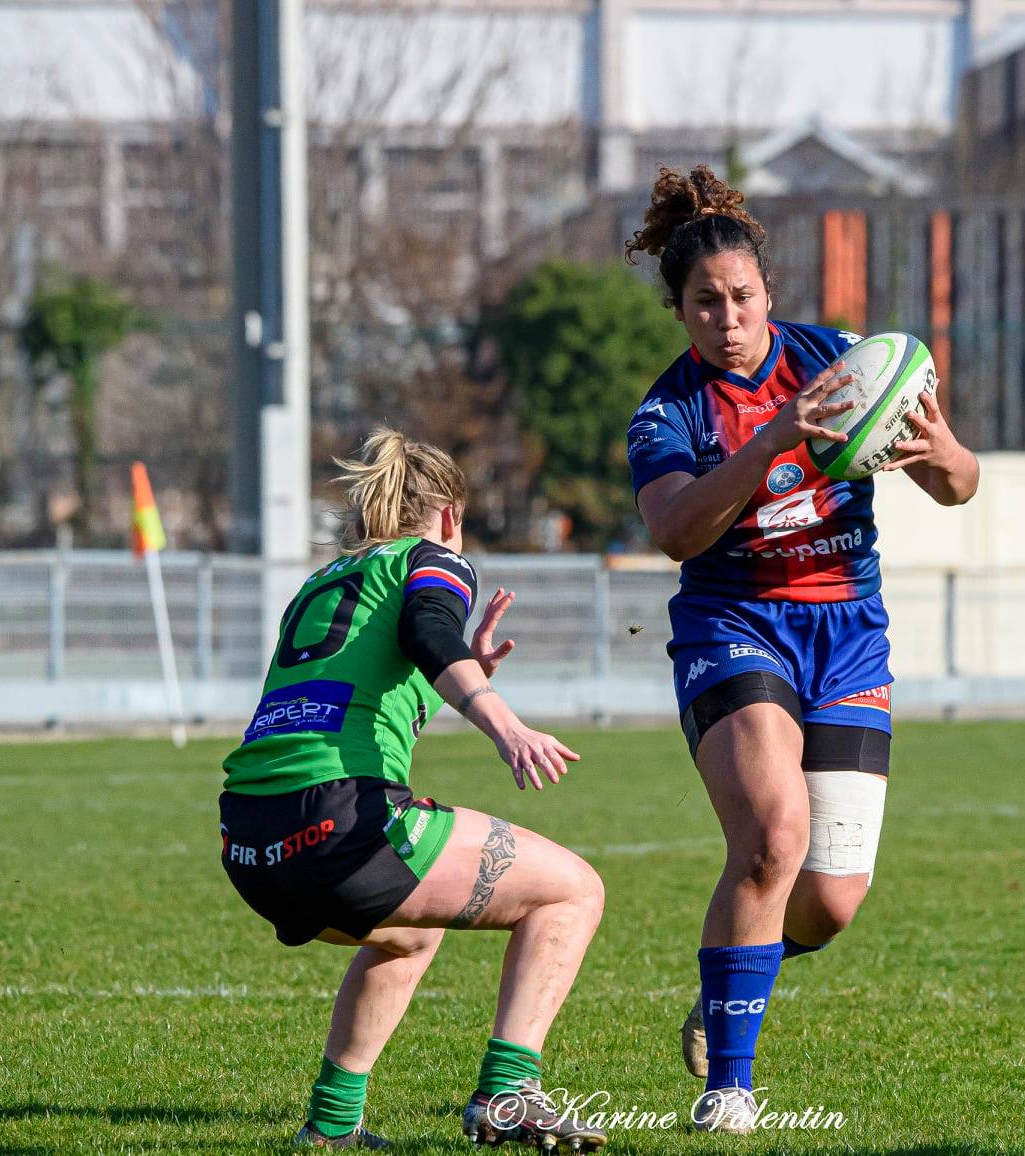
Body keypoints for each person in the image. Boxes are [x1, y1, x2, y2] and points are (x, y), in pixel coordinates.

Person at [623, 166, 980, 1133]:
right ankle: (728, 1089)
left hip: (848, 636)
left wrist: (942, 452)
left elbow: (958, 486)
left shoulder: (839, 361)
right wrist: (776, 437)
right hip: (733, 627)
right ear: (680, 310)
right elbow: (677, 532)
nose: (727, 318)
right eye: (706, 303)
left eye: (742, 297)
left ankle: (726, 980)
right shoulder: (669, 414)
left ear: (767, 294)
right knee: (772, 836)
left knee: (827, 900)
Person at [219, 429, 607, 1151]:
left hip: (246, 839)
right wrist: (503, 724)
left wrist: (466, 666)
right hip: (337, 822)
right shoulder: (433, 558)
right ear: (450, 514)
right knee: (573, 891)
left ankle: (332, 1127)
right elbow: (431, 631)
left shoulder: (323, 581)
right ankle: (507, 1095)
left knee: (410, 931)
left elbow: (362, 687)